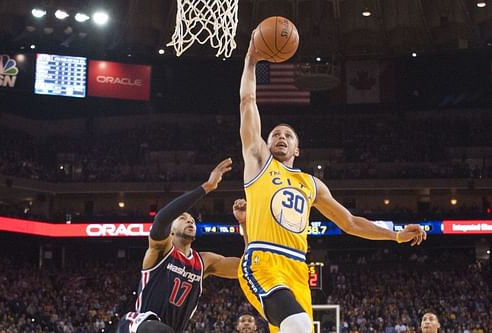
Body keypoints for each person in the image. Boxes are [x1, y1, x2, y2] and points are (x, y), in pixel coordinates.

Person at [237, 35, 428, 333]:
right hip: (263, 260)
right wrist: (251, 61)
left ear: (298, 149)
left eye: (288, 135)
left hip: (298, 268)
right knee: (298, 325)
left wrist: (395, 236)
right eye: (275, 134)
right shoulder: (259, 161)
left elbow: (350, 222)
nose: (281, 137)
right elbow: (248, 102)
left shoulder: (312, 185)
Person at [116, 158, 245, 333]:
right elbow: (161, 219)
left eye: (192, 220)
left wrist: (244, 224)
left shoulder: (204, 262)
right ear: (172, 230)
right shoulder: (160, 250)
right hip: (140, 325)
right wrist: (206, 187)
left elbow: (248, 267)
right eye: (183, 218)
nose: (190, 221)